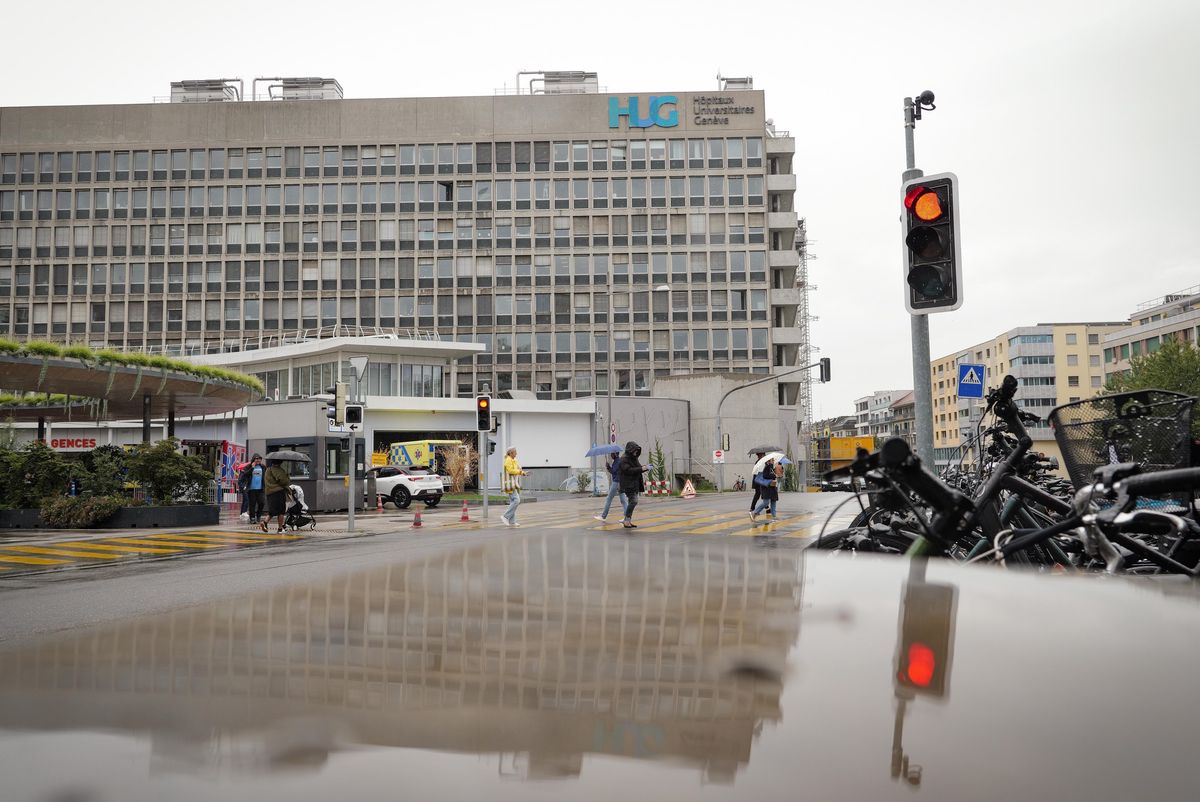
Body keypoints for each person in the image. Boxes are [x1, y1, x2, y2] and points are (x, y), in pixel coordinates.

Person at [617, 441, 649, 529]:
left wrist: (646, 468)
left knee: (632, 501)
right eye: (635, 450)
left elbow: (638, 468)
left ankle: (627, 520)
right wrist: (642, 468)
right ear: (630, 450)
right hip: (628, 484)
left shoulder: (634, 458)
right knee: (633, 501)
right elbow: (628, 470)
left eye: (637, 450)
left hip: (634, 484)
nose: (636, 452)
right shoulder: (624, 459)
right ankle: (626, 520)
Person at [261, 458, 291, 533]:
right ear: (280, 462)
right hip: (278, 492)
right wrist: (287, 476)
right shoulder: (279, 470)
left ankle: (265, 522)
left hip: (269, 493)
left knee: (272, 510)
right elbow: (284, 482)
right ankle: (280, 529)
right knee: (281, 511)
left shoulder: (268, 470)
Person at [594, 453, 626, 522]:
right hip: (621, 482)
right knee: (623, 500)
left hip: (616, 482)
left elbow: (613, 472)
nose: (611, 455)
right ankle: (627, 517)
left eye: (612, 454)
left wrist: (608, 467)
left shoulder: (617, 461)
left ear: (615, 454)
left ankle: (603, 516)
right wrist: (609, 467)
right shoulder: (620, 460)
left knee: (609, 498)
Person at [501, 447, 529, 527]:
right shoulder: (508, 460)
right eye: (515, 452)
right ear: (511, 453)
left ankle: (512, 521)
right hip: (510, 483)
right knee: (516, 500)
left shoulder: (514, 460)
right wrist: (520, 472)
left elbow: (516, 469)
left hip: (513, 483)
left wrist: (522, 472)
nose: (516, 453)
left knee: (513, 501)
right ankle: (505, 516)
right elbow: (510, 471)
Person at [243, 455, 265, 525]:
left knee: (262, 503)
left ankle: (258, 515)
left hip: (260, 489)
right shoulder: (249, 467)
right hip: (251, 489)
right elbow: (245, 474)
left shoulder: (263, 467)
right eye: (256, 459)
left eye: (259, 459)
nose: (258, 461)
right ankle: (252, 518)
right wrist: (252, 468)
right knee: (252, 504)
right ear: (253, 460)